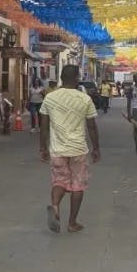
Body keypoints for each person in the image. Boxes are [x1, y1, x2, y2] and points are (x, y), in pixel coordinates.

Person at [39, 64, 100, 233]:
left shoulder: (50, 98)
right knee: (77, 185)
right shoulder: (84, 99)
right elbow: (92, 126)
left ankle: (55, 206)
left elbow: (43, 126)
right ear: (77, 78)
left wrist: (42, 147)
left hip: (57, 149)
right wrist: (96, 148)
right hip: (78, 149)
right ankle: (72, 223)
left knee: (59, 180)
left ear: (60, 78)